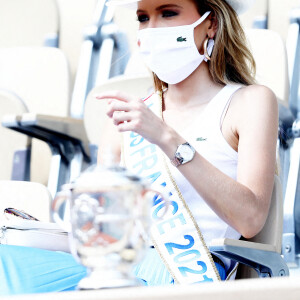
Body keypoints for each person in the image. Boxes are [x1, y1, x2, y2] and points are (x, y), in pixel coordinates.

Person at [96, 0, 278, 286]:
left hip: (186, 273)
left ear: (211, 23)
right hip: (119, 264)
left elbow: (250, 218)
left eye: (168, 13)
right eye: (143, 18)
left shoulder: (249, 101)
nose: (152, 29)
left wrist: (167, 138)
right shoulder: (128, 116)